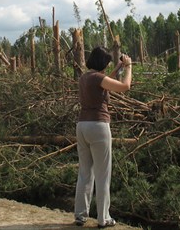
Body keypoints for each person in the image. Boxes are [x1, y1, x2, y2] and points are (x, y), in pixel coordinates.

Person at [74, 46, 132, 228]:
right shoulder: (98, 78)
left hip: (82, 126)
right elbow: (125, 86)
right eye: (106, 65)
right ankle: (103, 218)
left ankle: (80, 215)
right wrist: (128, 68)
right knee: (103, 174)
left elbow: (104, 81)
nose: (107, 68)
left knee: (85, 172)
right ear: (101, 64)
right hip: (98, 126)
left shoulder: (85, 77)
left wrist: (117, 68)